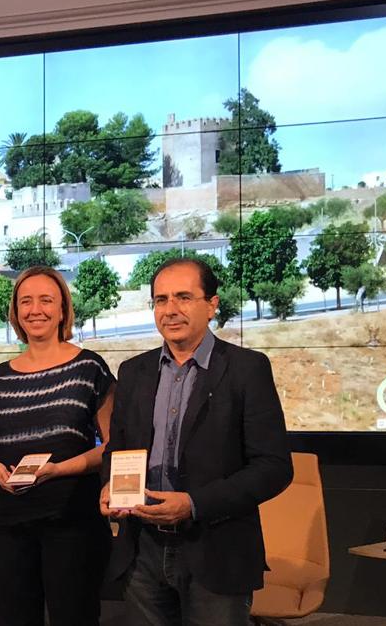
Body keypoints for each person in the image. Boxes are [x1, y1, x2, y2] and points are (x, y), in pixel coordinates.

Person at [100, 257, 293, 625]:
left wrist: (193, 504)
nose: (170, 310)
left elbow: (274, 467)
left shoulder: (247, 369)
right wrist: (109, 485)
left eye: (184, 297)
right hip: (142, 551)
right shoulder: (133, 372)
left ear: (212, 305)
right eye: (161, 300)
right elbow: (117, 450)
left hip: (216, 549)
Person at [0, 265, 116, 626]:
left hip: (73, 520)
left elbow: (114, 447)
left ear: (63, 309)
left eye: (46, 300)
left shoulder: (89, 368)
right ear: (15, 311)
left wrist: (58, 470)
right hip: (6, 523)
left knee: (75, 617)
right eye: (26, 301)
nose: (36, 310)